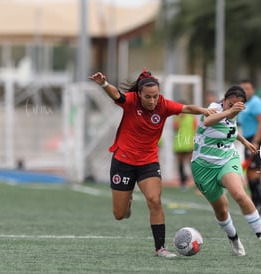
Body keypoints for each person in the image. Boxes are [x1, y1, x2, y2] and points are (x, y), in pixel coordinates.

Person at [88, 69, 215, 258]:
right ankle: (128, 201)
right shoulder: (131, 101)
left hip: (148, 162)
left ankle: (160, 248)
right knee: (120, 214)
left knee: (155, 201)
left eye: (155, 96)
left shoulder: (164, 105)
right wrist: (104, 84)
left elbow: (187, 108)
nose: (152, 101)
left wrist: (204, 110)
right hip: (123, 161)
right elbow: (116, 94)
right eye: (148, 97)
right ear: (139, 94)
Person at [191, 85, 261, 256]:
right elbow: (208, 121)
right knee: (221, 210)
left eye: (239, 106)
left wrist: (244, 142)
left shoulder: (232, 112)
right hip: (203, 166)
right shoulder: (214, 108)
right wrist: (230, 111)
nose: (234, 108)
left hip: (227, 159)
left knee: (239, 193)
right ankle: (234, 238)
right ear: (224, 100)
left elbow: (230, 128)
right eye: (231, 104)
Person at [237, 80, 261, 218]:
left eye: (248, 88)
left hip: (255, 140)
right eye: (243, 88)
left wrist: (256, 141)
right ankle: (255, 206)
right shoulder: (244, 104)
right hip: (248, 140)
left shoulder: (256, 103)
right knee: (249, 175)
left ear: (253, 89)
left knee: (254, 175)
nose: (245, 91)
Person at [173, 101, 197, 190]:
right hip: (179, 144)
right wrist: (179, 118)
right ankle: (183, 183)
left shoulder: (191, 117)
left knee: (192, 164)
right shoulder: (177, 117)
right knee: (180, 164)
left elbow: (195, 129)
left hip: (189, 143)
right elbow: (175, 128)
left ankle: (197, 183)